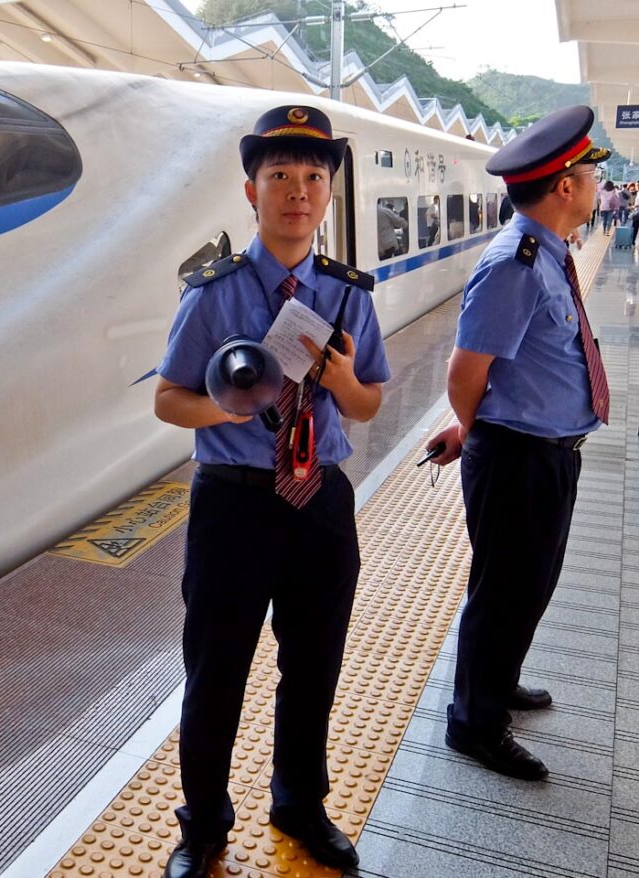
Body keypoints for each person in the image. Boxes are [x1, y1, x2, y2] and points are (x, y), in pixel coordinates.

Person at [153, 105, 389, 877]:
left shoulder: (350, 295)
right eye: (279, 176)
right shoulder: (213, 292)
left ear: (328, 194)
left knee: (314, 663)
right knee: (215, 667)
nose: (298, 191)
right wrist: (228, 404)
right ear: (251, 191)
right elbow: (167, 400)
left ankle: (299, 804)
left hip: (318, 501)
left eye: (314, 177)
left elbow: (368, 404)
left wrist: (345, 379)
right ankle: (204, 824)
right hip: (232, 502)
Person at [425, 105, 610, 781]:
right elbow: (464, 372)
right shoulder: (516, 263)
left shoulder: (551, 253)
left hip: (546, 454)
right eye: (591, 170)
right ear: (564, 186)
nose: (596, 180)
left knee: (526, 586)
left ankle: (496, 684)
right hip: (517, 459)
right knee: (504, 592)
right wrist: (475, 429)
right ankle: (474, 724)